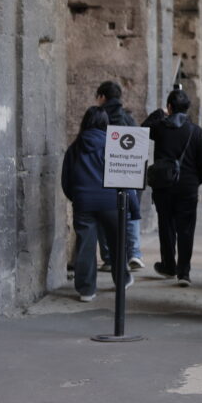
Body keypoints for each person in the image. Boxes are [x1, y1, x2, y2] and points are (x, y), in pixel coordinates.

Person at [62, 106, 138, 301]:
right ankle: (122, 280)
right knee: (116, 244)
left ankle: (87, 290)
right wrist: (133, 207)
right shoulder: (113, 145)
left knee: (85, 245)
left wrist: (77, 197)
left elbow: (66, 179)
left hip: (84, 202)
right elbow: (125, 176)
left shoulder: (74, 147)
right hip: (112, 202)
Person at [148, 89, 202, 286]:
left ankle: (168, 265)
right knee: (186, 230)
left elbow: (142, 130)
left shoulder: (160, 128)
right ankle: (184, 272)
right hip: (188, 187)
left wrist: (159, 114)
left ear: (169, 107)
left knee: (166, 227)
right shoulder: (196, 131)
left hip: (163, 186)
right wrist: (196, 181)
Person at [94, 80, 143, 272]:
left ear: (102, 97)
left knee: (104, 215)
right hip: (128, 173)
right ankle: (134, 253)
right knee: (130, 213)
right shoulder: (129, 118)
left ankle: (108, 258)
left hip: (104, 173)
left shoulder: (99, 117)